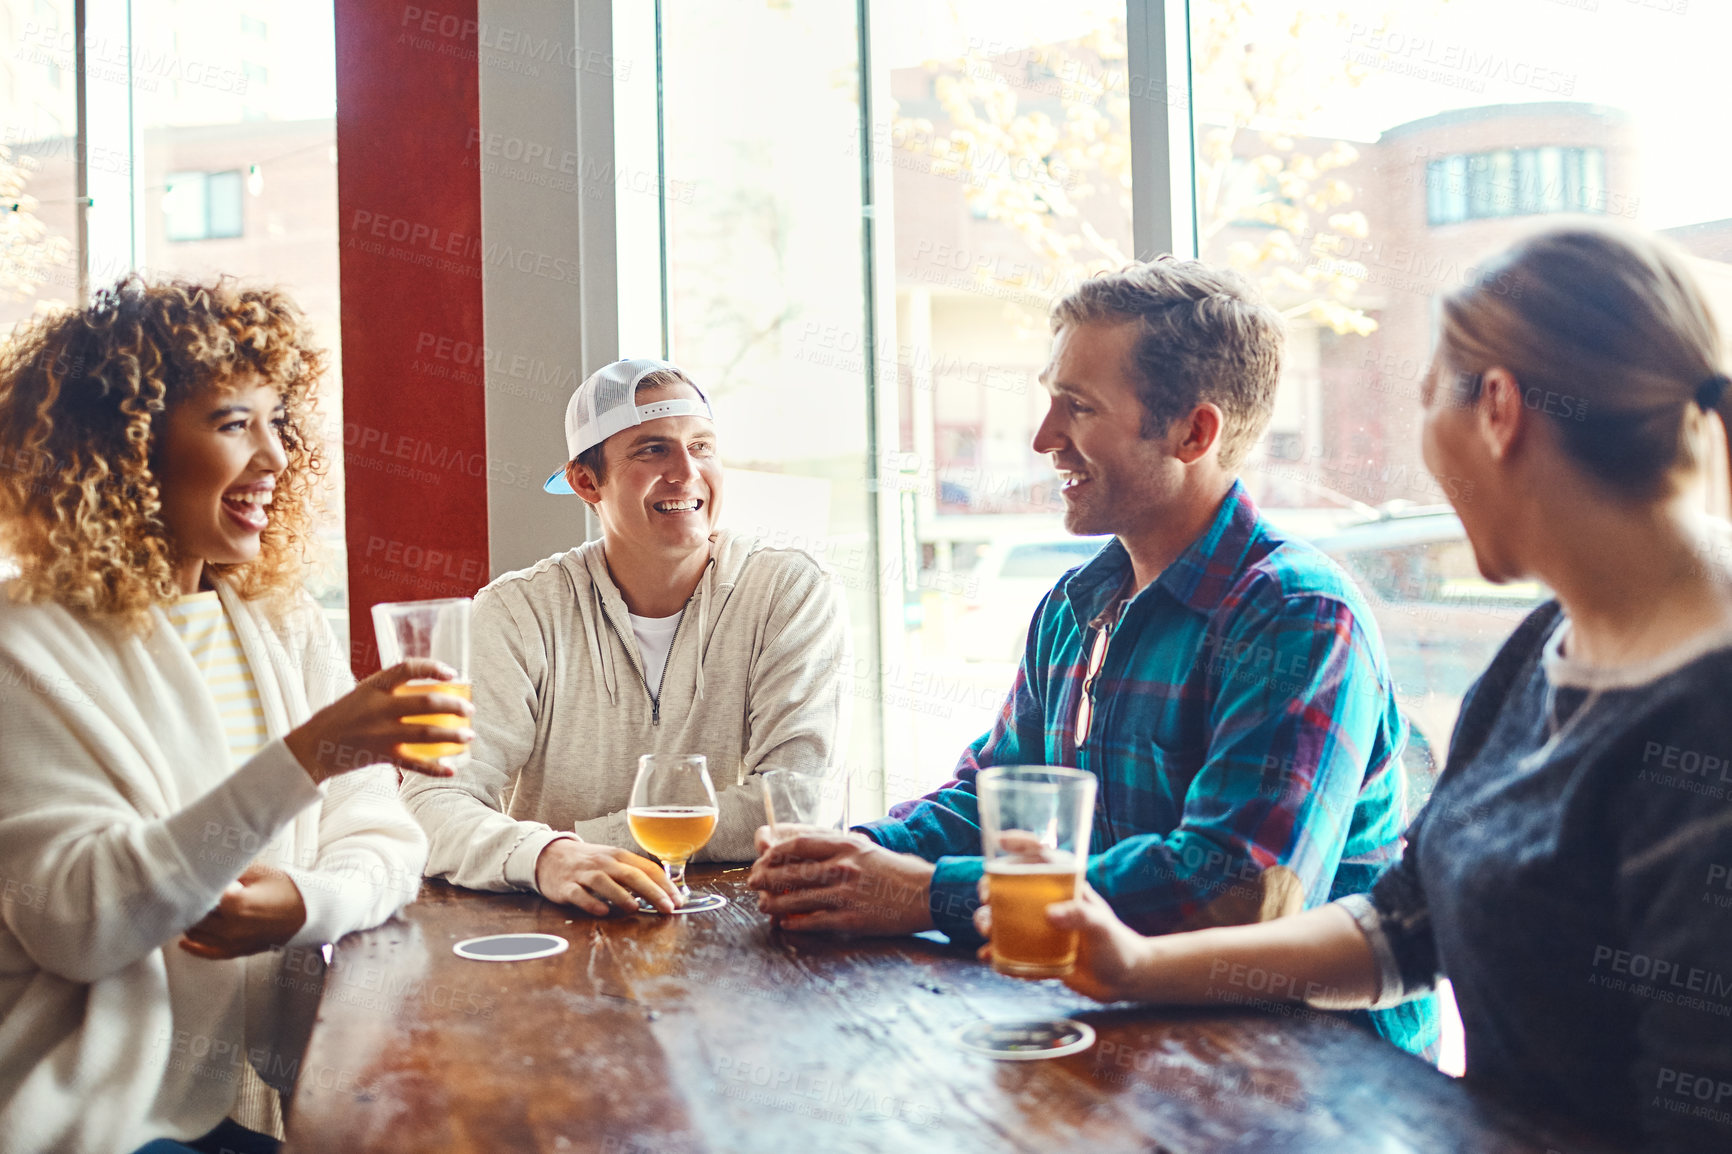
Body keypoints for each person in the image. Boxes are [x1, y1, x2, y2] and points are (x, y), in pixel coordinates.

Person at [989, 224, 1732, 1153]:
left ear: (1500, 409)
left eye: (1428, 403)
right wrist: (1138, 965)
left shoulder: (1706, 720)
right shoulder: (1548, 644)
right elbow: (1402, 926)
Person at [748, 258, 1435, 1054]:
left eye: (1077, 407)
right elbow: (991, 799)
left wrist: (927, 896)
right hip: (1132, 1044)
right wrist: (854, 859)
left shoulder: (1298, 615)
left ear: (1195, 432)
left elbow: (1240, 892)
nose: (1043, 438)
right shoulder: (1074, 605)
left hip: (1315, 1081)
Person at [0, 277, 468, 1154]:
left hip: (275, 1104)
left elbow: (384, 834)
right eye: (232, 424)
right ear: (125, 450)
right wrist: (309, 754)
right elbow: (83, 920)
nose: (276, 458)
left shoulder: (277, 620)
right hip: (103, 1122)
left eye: (275, 420)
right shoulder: (21, 650)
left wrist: (305, 903)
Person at [402, 358, 847, 916]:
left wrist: (579, 840)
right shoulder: (517, 611)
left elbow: (795, 801)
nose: (686, 472)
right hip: (563, 922)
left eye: (702, 446)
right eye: (652, 449)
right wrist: (548, 858)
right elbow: (431, 800)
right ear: (586, 481)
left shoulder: (790, 590)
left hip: (749, 920)